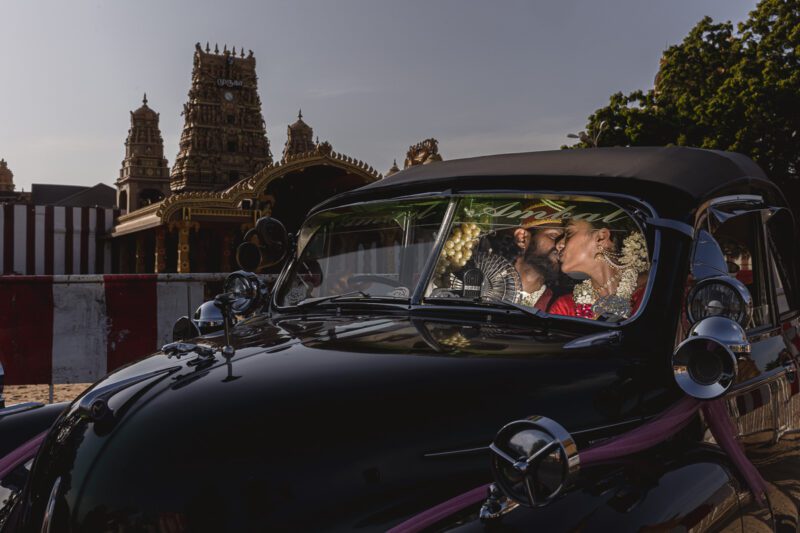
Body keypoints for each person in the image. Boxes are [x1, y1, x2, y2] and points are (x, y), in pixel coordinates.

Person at [549, 214, 649, 320]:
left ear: (601, 238)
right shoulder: (565, 308)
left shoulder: (650, 291)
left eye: (569, 233)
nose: (558, 245)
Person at [505, 203, 566, 311]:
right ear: (522, 238)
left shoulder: (561, 306)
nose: (562, 245)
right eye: (553, 236)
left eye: (566, 241)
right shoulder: (483, 281)